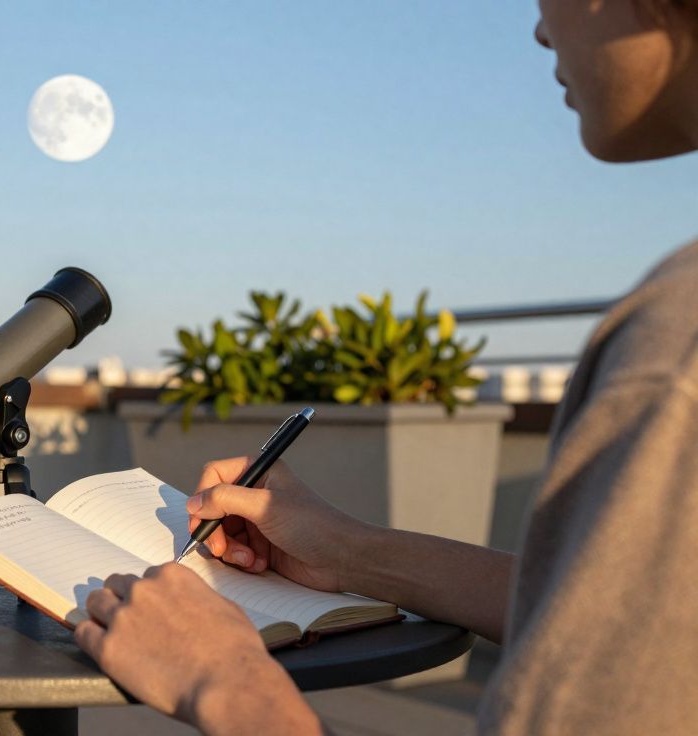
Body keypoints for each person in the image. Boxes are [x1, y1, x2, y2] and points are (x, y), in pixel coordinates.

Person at [74, 1, 698, 733]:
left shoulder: (674, 350)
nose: (538, 28)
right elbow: (631, 617)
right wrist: (349, 554)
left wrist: (230, 686)